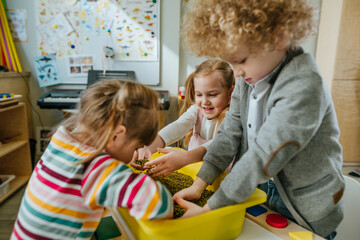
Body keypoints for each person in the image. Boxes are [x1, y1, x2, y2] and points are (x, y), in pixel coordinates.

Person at [173, 0, 344, 239]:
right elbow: (230, 133)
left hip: (304, 206)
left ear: (278, 37)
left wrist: (210, 209)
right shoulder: (248, 78)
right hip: (257, 188)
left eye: (241, 60)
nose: (237, 71)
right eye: (231, 62)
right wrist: (199, 184)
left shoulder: (304, 84)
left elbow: (265, 153)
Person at [11, 80, 173, 240]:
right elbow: (158, 203)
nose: (134, 154)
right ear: (116, 134)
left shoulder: (61, 140)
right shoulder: (97, 167)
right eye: (136, 148)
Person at [131, 59, 235, 178]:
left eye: (212, 95)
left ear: (230, 92)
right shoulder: (197, 110)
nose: (205, 101)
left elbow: (218, 144)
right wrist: (149, 147)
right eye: (199, 94)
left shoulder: (232, 117)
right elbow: (179, 126)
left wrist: (185, 157)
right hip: (193, 176)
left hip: (220, 180)